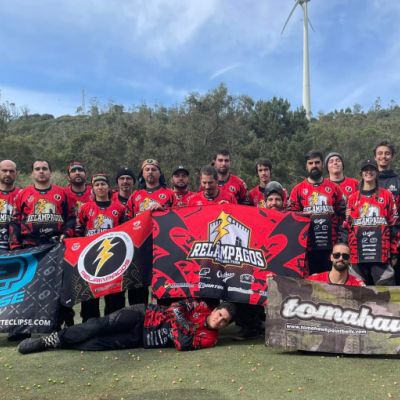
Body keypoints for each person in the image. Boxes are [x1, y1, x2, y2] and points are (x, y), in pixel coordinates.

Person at [18, 300, 236, 354]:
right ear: (215, 309)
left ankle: (61, 343)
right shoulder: (201, 306)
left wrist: (178, 320)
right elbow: (175, 307)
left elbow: (183, 345)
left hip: (143, 339)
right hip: (143, 314)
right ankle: (48, 340)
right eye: (220, 314)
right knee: (98, 325)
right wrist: (182, 324)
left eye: (224, 321)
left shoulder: (211, 339)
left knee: (96, 344)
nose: (219, 320)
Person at [75, 173, 127, 321]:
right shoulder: (85, 208)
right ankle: (90, 325)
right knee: (90, 298)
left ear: (109, 187)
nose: (100, 187)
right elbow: (78, 231)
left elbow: (126, 231)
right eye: (97, 185)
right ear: (92, 189)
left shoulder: (119, 208)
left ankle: (114, 325)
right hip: (91, 258)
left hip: (113, 257)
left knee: (114, 297)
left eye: (103, 184)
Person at [289, 150, 345, 274]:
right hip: (308, 248)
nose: (314, 165)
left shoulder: (334, 188)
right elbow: (293, 220)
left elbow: (342, 216)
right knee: (311, 281)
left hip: (331, 246)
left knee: (332, 281)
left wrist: (341, 242)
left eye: (317, 162)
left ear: (322, 164)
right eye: (311, 163)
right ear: (306, 166)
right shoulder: (298, 190)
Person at [344, 159, 398, 285]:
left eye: (372, 169)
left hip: (381, 256)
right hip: (357, 256)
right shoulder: (352, 198)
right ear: (361, 173)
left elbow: (395, 225)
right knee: (358, 293)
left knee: (386, 294)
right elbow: (348, 227)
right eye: (365, 170)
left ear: (377, 173)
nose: (368, 172)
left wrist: (394, 253)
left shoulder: (387, 195)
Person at [10, 160, 75, 249]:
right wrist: (15, 246)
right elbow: (15, 221)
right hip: (29, 245)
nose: (41, 171)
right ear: (32, 173)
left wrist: (66, 234)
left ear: (50, 172)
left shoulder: (63, 193)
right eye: (37, 169)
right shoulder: (22, 194)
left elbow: (71, 218)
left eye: (44, 169)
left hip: (57, 244)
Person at [0, 160, 20, 250]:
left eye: (11, 171)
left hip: (16, 247)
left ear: (17, 174)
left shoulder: (23, 194)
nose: (8, 174)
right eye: (4, 170)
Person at [374, 140, 400, 210]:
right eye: (380, 153)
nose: (383, 156)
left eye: (387, 153)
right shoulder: (367, 181)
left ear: (392, 157)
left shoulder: (398, 180)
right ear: (375, 157)